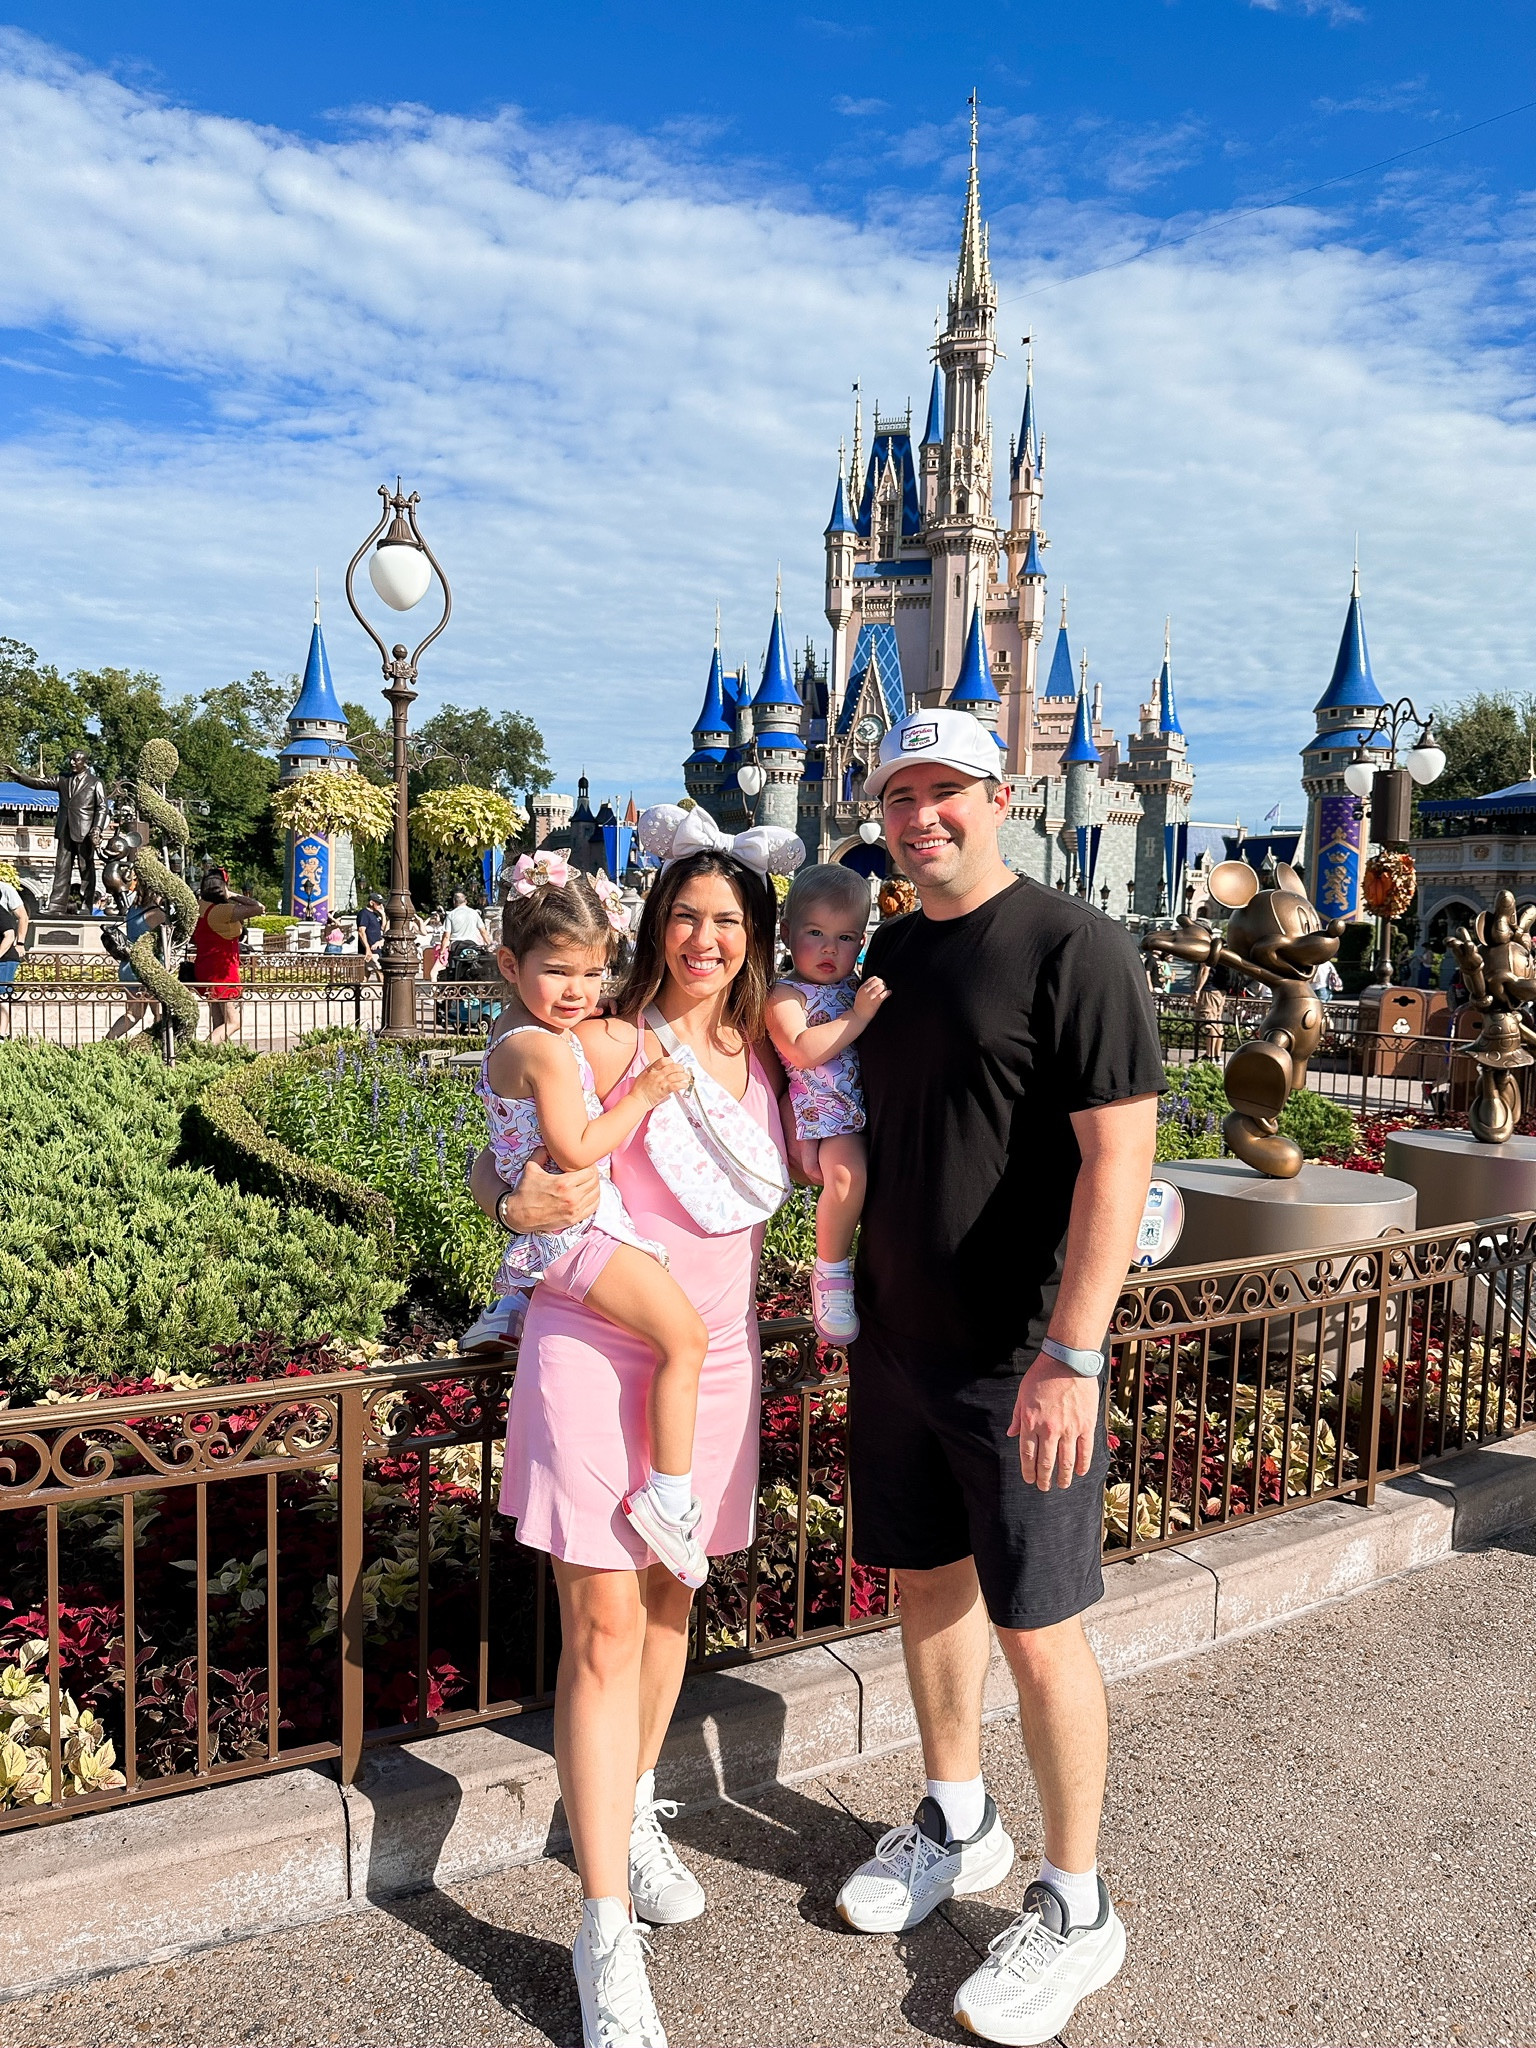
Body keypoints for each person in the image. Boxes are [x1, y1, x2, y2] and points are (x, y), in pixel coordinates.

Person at [828, 709, 1162, 2046]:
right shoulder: (891, 952)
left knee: (1039, 1626)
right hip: (904, 1347)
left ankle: (1078, 1906)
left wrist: (1074, 1355)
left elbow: (1118, 1163)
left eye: (947, 793)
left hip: (1024, 1359)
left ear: (1002, 795)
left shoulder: (1073, 945)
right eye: (901, 795)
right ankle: (956, 1818)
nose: (923, 817)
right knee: (925, 1584)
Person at [467, 823, 800, 2048]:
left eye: (729, 922)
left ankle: (636, 1803)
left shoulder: (770, 1050)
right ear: (655, 924)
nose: (706, 940)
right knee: (604, 1623)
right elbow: (508, 1122)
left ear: (753, 936)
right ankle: (601, 1924)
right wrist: (500, 1192)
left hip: (708, 1366)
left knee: (667, 1613)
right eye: (686, 917)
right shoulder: (609, 1036)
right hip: (596, 1348)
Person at [461, 850, 711, 1584]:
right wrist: (647, 1092)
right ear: (510, 964)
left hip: (567, 1230)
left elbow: (503, 1153)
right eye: (559, 971)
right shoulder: (538, 1047)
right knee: (686, 1340)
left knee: (676, 1337)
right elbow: (574, 1148)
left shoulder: (520, 1029)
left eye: (592, 972)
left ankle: (511, 1300)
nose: (578, 991)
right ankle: (667, 1498)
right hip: (575, 1228)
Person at [764, 864, 889, 1342]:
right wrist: (858, 1018)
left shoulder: (855, 986)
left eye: (846, 936)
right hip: (825, 1115)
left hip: (867, 1110)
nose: (830, 948)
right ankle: (832, 1271)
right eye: (815, 932)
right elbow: (801, 1048)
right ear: (787, 932)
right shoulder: (784, 993)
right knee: (845, 1177)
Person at [189, 873, 264, 1047]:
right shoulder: (220, 911)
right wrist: (232, 895)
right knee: (233, 1022)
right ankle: (202, 1050)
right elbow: (258, 907)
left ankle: (216, 1057)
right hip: (222, 971)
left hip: (205, 967)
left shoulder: (200, 907)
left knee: (219, 1020)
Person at [105, 876, 167, 1042]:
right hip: (147, 969)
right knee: (160, 1012)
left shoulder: (134, 909)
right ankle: (160, 1046)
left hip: (128, 966)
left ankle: (109, 1040)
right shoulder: (156, 913)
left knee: (135, 1013)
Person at [357, 893, 385, 977]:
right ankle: (384, 990)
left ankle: (359, 989)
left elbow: (383, 928)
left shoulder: (376, 914)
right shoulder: (364, 913)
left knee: (366, 974)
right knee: (380, 972)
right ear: (371, 902)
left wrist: (383, 915)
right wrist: (367, 948)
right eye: (378, 903)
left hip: (377, 948)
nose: (380, 905)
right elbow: (361, 931)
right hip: (371, 948)